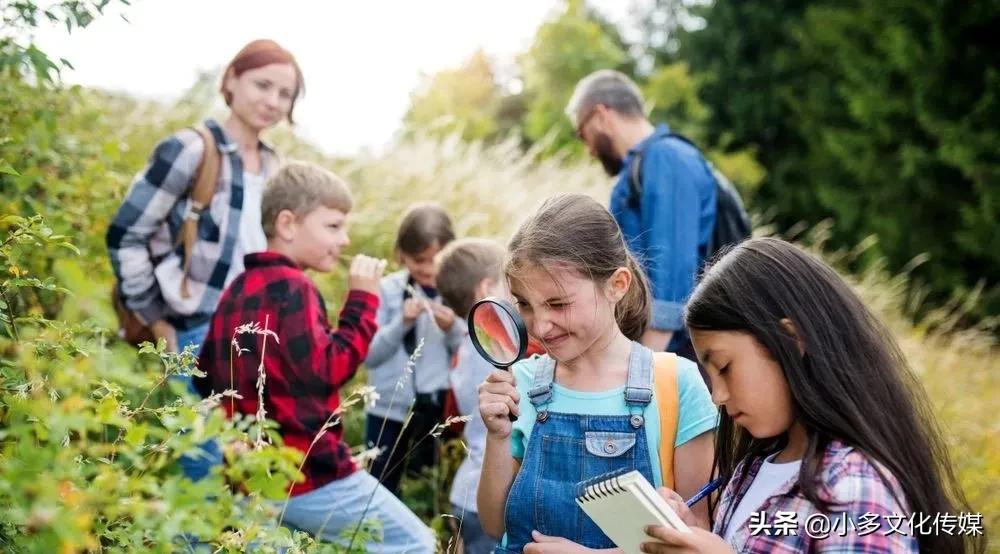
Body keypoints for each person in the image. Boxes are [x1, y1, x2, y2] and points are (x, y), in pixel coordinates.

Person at [640, 238, 983, 554]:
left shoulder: (852, 489)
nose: (717, 395)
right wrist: (693, 533)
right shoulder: (751, 471)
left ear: (792, 339)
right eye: (709, 375)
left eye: (725, 367)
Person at [193, 161, 435, 552]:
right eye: (333, 226)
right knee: (415, 544)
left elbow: (203, 377)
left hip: (250, 476)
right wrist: (362, 299)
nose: (344, 240)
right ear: (288, 224)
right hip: (309, 472)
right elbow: (328, 369)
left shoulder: (236, 288)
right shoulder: (295, 288)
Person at [106, 38, 304, 480]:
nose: (272, 101)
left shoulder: (275, 166)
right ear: (232, 79)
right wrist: (157, 321)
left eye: (284, 93)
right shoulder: (192, 149)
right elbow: (126, 235)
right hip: (195, 328)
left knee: (249, 467)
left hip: (254, 335)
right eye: (263, 85)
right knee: (205, 465)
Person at [477, 194, 718, 553]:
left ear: (616, 285)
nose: (541, 326)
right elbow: (495, 525)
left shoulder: (674, 384)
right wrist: (497, 438)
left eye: (558, 304)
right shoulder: (522, 381)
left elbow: (699, 535)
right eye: (524, 304)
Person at [565, 69, 718, 361]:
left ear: (601, 116)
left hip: (677, 355)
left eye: (582, 133)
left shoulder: (666, 158)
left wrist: (641, 374)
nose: (588, 149)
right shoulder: (641, 169)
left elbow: (671, 285)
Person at [364, 203, 465, 496]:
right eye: (420, 260)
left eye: (438, 260)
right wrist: (402, 323)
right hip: (387, 411)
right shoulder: (386, 290)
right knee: (379, 488)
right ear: (401, 255)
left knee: (434, 489)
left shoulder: (457, 292)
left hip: (438, 410)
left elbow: (469, 353)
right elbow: (370, 355)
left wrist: (452, 330)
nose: (429, 270)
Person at [436, 238, 508, 554]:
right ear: (485, 290)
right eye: (509, 284)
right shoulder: (494, 346)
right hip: (484, 494)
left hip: (469, 488)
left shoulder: (467, 344)